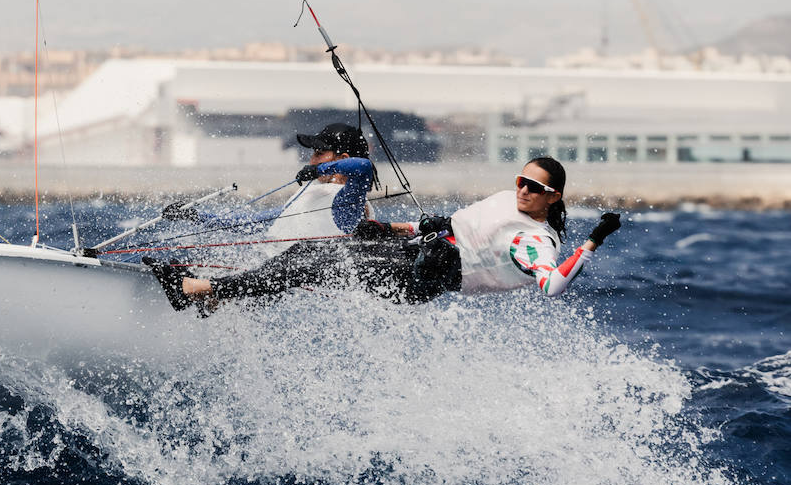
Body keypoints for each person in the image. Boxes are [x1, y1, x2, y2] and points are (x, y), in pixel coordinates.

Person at [151, 156, 621, 310]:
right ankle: (217, 294)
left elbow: (554, 284)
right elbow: (448, 226)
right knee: (311, 255)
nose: (523, 190)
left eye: (535, 188)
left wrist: (594, 239)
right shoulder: (506, 200)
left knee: (313, 265)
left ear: (553, 197)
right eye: (521, 180)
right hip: (416, 250)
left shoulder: (533, 240)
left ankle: (196, 289)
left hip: (420, 279)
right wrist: (394, 228)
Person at [162, 122, 377, 245]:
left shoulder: (350, 198)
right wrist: (196, 216)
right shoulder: (315, 192)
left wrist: (319, 170)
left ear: (342, 159)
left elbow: (364, 167)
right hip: (273, 276)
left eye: (319, 154)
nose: (311, 161)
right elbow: (253, 223)